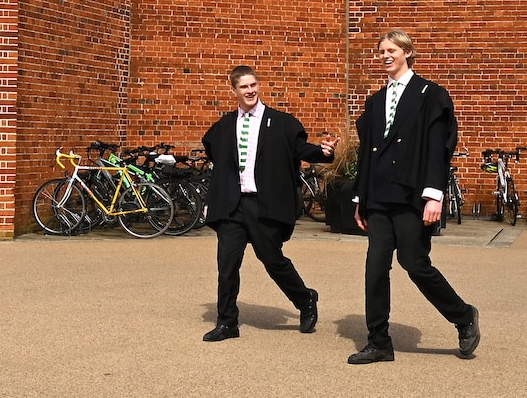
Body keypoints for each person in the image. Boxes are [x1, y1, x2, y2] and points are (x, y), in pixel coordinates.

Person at [348, 30, 480, 364]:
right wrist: (359, 199)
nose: (385, 55)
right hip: (378, 197)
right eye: (381, 51)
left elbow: (439, 148)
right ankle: (378, 341)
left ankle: (463, 316)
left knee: (414, 263)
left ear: (407, 52)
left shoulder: (430, 95)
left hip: (412, 195)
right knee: (375, 267)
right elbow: (368, 154)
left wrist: (435, 195)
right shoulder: (375, 101)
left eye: (391, 50)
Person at [199, 64, 334, 342]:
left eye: (253, 85)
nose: (250, 91)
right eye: (243, 87)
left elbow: (299, 149)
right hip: (232, 207)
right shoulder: (224, 127)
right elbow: (220, 166)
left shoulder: (281, 122)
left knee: (272, 260)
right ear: (233, 90)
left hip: (263, 206)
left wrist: (323, 153)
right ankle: (227, 322)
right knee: (227, 264)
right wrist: (212, 201)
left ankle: (305, 298)